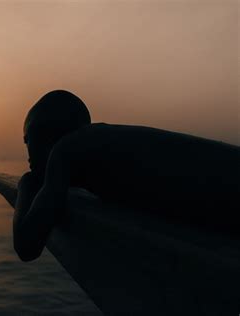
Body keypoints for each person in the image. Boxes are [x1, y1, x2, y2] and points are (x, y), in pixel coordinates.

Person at [14, 90, 239, 262]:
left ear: (45, 134)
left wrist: (26, 184)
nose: (28, 154)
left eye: (27, 140)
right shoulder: (99, 146)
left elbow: (27, 246)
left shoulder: (66, 150)